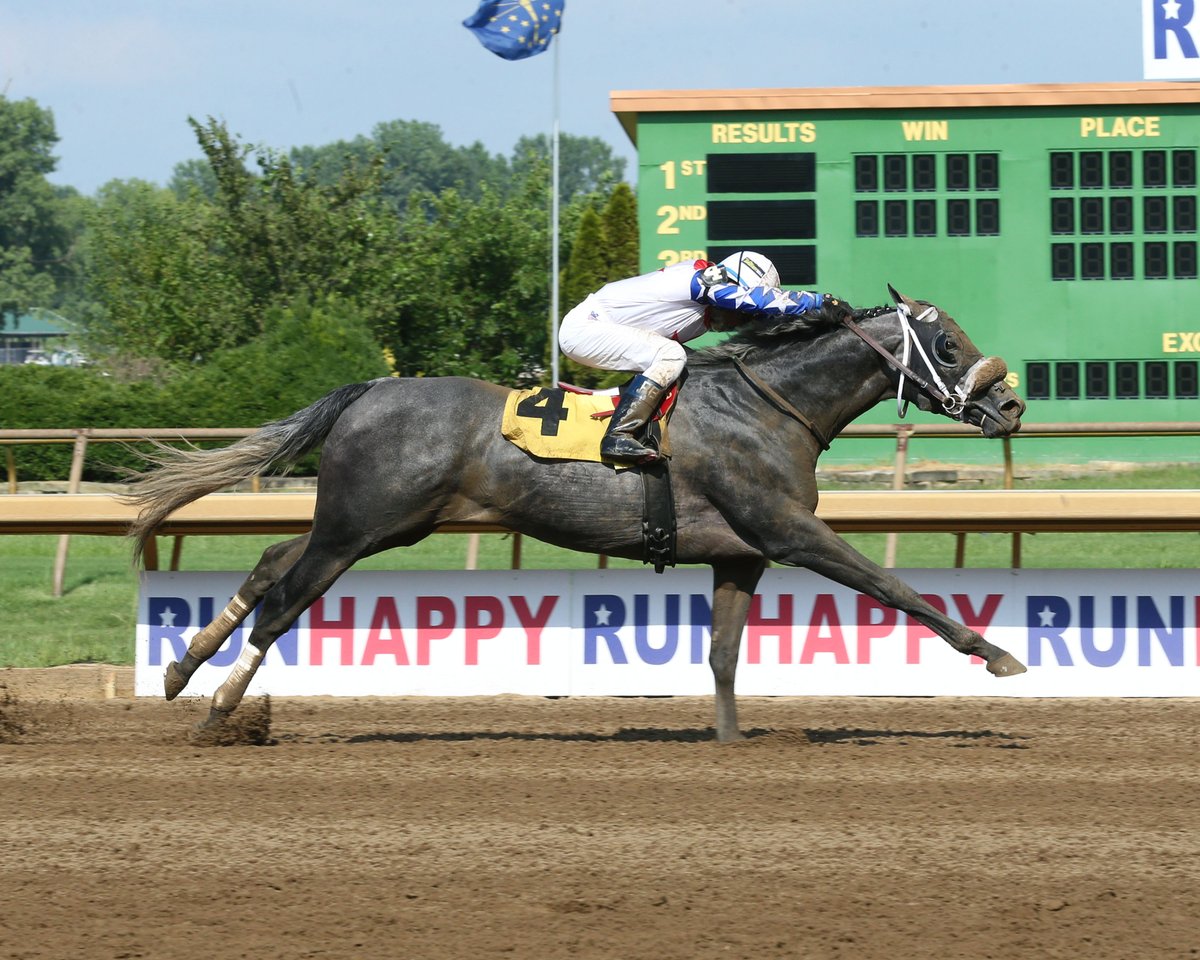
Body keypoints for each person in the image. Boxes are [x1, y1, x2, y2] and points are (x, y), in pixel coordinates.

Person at [557, 250, 853, 463]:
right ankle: (617, 437)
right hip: (585, 328)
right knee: (671, 355)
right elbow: (754, 298)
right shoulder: (701, 279)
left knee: (692, 363)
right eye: (743, 314)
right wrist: (816, 301)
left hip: (594, 328)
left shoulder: (702, 301)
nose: (743, 321)